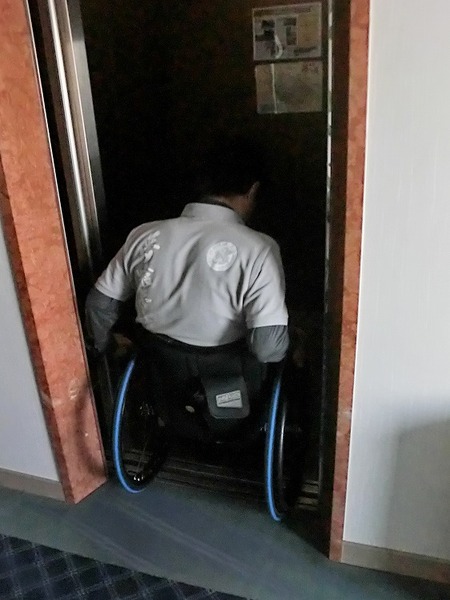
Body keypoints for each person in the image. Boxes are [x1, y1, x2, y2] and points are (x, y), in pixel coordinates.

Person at [85, 135, 289, 364]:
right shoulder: (260, 249)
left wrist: (107, 345)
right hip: (230, 375)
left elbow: (98, 305)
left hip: (158, 371)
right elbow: (267, 349)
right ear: (253, 189)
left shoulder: (143, 235)